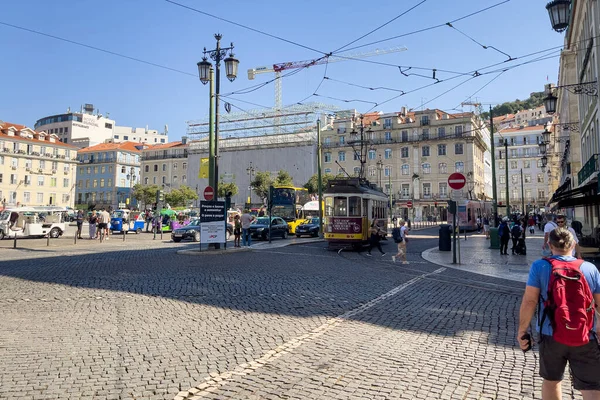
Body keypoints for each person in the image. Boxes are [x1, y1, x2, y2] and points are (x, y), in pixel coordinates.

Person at [518, 227, 600, 400]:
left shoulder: (540, 266)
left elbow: (530, 301)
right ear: (574, 244)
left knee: (552, 381)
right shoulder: (590, 268)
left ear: (549, 244)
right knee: (592, 388)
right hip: (585, 334)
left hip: (550, 334)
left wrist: (522, 330)